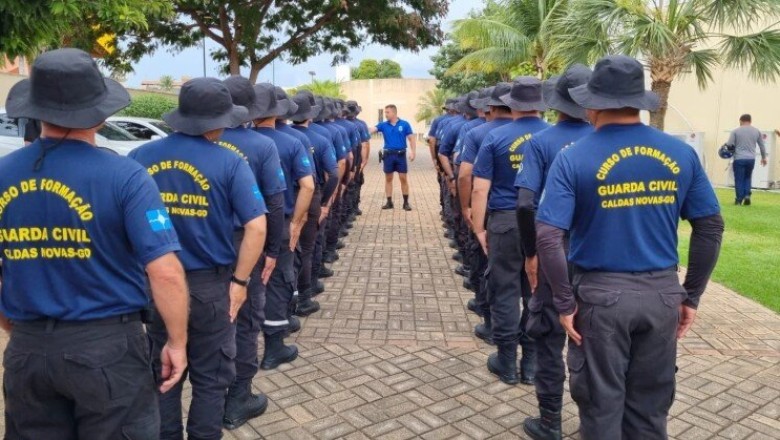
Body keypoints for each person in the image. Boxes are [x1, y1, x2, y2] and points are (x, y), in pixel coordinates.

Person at [1, 48, 189, 439]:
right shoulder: (127, 177)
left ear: (36, 111)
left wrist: (15, 327)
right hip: (108, 350)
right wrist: (176, 341)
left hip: (28, 350)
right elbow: (165, 272)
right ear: (100, 114)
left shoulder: (4, 173)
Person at [536, 55, 724, 439]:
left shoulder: (574, 158)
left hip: (601, 300)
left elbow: (549, 235)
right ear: (638, 102)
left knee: (601, 409)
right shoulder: (680, 154)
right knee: (650, 411)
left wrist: (564, 303)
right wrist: (690, 296)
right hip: (661, 297)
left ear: (592, 105)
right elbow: (710, 226)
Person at [129, 77, 267, 440]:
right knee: (210, 379)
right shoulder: (230, 162)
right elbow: (256, 226)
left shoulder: (140, 157)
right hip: (210, 287)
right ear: (219, 121)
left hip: (156, 286)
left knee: (164, 373)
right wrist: (240, 282)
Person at [514, 65, 593, 440]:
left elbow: (525, 203)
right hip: (594, 255)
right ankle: (594, 422)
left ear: (556, 103)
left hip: (553, 249)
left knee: (548, 337)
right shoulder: (602, 142)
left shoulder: (540, 142)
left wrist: (531, 254)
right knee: (593, 340)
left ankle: (550, 421)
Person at [218, 75, 288, 430]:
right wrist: (273, 249)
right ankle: (237, 398)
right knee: (245, 320)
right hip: (244, 244)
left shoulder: (171, 148)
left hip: (193, 248)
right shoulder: (261, 146)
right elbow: (274, 204)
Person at [471, 77, 549, 385]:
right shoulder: (552, 137)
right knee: (535, 293)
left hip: (504, 221)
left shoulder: (495, 137)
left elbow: (480, 188)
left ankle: (506, 362)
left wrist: (479, 228)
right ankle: (530, 364)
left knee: (504, 291)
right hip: (544, 222)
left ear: (512, 105)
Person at [252, 83, 315, 369]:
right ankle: (274, 347)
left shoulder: (228, 142)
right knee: (278, 279)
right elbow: (308, 185)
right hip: (278, 220)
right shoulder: (292, 141)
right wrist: (297, 222)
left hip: (241, 227)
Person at [290, 93, 340, 316]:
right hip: (308, 196)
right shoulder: (319, 137)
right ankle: (304, 297)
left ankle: (285, 302)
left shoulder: (281, 136)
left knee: (284, 253)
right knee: (306, 249)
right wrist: (325, 203)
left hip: (279, 200)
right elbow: (334, 173)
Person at [370, 104, 416, 211]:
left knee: (403, 178)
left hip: (400, 155)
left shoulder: (404, 124)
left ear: (394, 113)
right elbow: (372, 130)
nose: (385, 114)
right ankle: (389, 202)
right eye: (385, 112)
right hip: (388, 155)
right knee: (388, 178)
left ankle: (406, 203)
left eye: (387, 112)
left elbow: (411, 138)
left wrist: (413, 152)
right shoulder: (383, 125)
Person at [726, 114, 768, 205]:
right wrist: (764, 158)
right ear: (750, 121)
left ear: (741, 121)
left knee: (739, 179)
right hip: (751, 159)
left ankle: (739, 199)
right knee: (747, 177)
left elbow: (729, 144)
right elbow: (762, 146)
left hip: (739, 158)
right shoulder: (756, 131)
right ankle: (747, 195)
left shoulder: (735, 131)